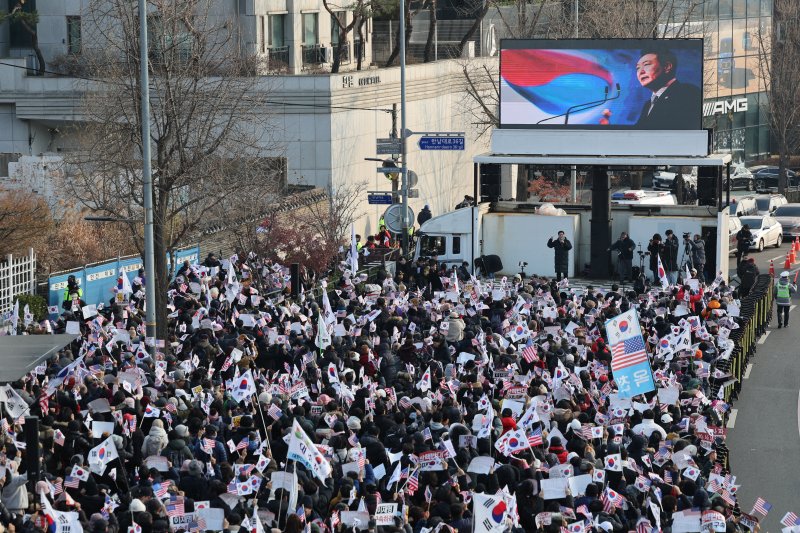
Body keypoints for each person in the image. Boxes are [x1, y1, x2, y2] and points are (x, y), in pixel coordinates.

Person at [634, 47, 702, 129]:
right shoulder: (648, 105)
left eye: (646, 65)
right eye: (637, 68)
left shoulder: (688, 93)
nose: (641, 71)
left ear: (667, 67)